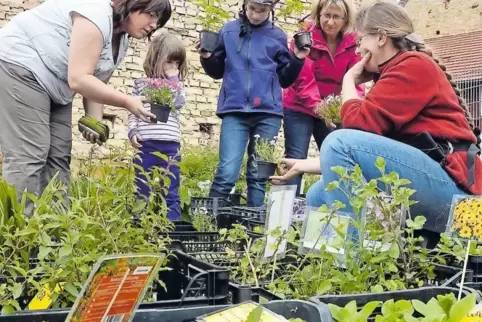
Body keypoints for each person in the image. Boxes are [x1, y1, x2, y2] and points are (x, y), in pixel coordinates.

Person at [271, 1, 482, 234]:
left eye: (361, 40)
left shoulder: (413, 66)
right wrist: (301, 165)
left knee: (338, 141)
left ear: (381, 38)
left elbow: (355, 128)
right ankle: (325, 263)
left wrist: (348, 80)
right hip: (434, 180)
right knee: (318, 192)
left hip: (456, 193)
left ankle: (348, 261)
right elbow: (370, 152)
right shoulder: (396, 72)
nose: (358, 49)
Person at [0, 0, 172, 215]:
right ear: (133, 4)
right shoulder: (96, 16)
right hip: (21, 65)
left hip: (56, 83)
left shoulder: (122, 40)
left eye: (159, 20)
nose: (154, 24)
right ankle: (15, 238)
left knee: (59, 156)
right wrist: (127, 101)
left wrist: (94, 120)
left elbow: (95, 84)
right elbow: (79, 79)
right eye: (151, 15)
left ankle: (54, 235)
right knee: (30, 154)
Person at [196, 0, 309, 207]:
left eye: (262, 11)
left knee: (258, 175)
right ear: (245, 5)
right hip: (234, 111)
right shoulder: (228, 31)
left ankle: (253, 229)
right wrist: (206, 57)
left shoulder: (277, 36)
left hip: (268, 113)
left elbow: (285, 79)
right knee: (227, 172)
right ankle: (209, 223)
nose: (256, 15)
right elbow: (216, 71)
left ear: (271, 10)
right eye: (252, 9)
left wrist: (298, 59)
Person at [282, 0, 363, 196]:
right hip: (299, 105)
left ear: (345, 20)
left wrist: (351, 108)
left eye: (336, 17)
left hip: (333, 107)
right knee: (296, 157)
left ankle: (336, 205)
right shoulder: (304, 37)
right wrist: (320, 109)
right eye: (326, 15)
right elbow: (303, 80)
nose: (330, 22)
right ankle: (284, 211)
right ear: (318, 15)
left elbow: (356, 79)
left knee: (335, 158)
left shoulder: (354, 42)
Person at [128, 32, 187, 221]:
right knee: (142, 188)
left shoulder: (176, 85)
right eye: (170, 62)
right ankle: (138, 228)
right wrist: (133, 131)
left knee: (170, 190)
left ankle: (173, 230)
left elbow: (178, 102)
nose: (174, 68)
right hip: (146, 143)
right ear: (156, 58)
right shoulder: (140, 84)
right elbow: (132, 109)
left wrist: (173, 80)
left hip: (170, 144)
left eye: (177, 63)